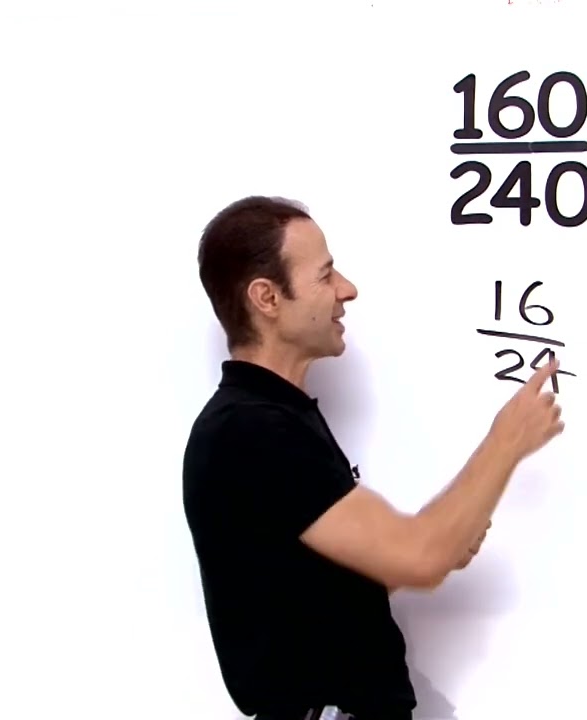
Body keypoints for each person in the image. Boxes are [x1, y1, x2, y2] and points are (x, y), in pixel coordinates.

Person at [182, 196, 565, 720]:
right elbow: (419, 557)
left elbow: (320, 592)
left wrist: (443, 536)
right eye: (325, 275)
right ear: (267, 297)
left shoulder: (273, 420)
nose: (347, 289)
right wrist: (508, 440)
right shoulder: (252, 431)